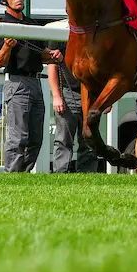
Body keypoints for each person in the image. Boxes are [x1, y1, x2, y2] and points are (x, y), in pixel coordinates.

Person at [0, 0, 62, 173]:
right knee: (18, 137)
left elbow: (40, 53)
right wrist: (7, 46)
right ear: (4, 0)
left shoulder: (32, 24)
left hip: (36, 83)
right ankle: (12, 176)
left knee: (36, 138)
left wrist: (53, 55)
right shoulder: (2, 25)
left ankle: (23, 175)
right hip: (17, 83)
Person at [45, 20, 98, 173]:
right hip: (68, 92)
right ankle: (60, 174)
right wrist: (56, 95)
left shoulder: (94, 35)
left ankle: (87, 176)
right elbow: (52, 66)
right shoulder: (60, 34)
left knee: (89, 139)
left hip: (91, 94)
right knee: (63, 139)